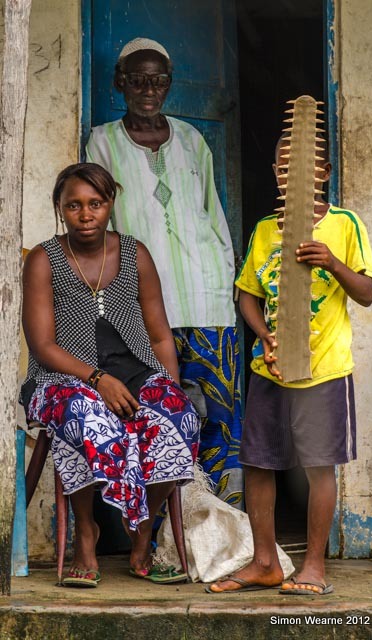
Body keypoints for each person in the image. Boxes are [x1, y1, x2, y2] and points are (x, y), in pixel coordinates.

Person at [207, 136, 372, 594]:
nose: (289, 175)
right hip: (271, 368)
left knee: (318, 465)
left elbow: (366, 292)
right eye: (282, 168)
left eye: (300, 167)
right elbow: (247, 293)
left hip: (324, 369)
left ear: (322, 173)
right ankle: (265, 562)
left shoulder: (345, 224)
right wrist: (263, 336)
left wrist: (333, 263)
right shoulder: (265, 229)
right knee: (259, 463)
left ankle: (314, 566)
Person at [21, 162, 200, 587]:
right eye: (74, 206)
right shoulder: (44, 259)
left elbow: (158, 335)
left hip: (135, 371)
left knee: (180, 417)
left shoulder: (134, 253)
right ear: (60, 209)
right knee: (88, 418)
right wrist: (97, 379)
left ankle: (141, 530)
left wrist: (168, 387)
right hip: (60, 378)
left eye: (95, 204)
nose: (86, 215)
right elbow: (42, 346)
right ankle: (87, 532)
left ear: (110, 204)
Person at [86, 37, 243, 506]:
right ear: (121, 84)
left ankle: (227, 525)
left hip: (207, 299)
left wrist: (227, 278)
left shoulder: (192, 139)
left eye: (158, 80)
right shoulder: (102, 141)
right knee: (159, 419)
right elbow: (100, 223)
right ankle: (167, 536)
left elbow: (212, 214)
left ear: (169, 84)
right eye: (138, 80)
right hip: (144, 310)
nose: (149, 89)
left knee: (220, 416)